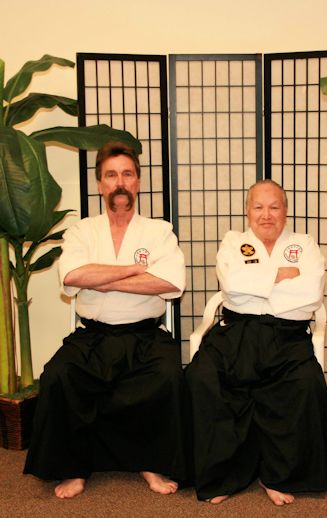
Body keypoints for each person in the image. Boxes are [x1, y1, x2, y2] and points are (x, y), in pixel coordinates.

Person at [24, 141, 187, 499]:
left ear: (138, 182)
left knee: (168, 376)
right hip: (93, 337)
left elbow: (171, 282)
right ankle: (73, 468)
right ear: (100, 184)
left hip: (146, 335)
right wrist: (132, 270)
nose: (120, 182)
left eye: (127, 174)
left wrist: (101, 275)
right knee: (58, 376)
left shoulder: (158, 231)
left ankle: (151, 462)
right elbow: (71, 277)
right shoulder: (82, 231)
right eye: (111, 175)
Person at [185, 179, 327, 505]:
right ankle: (223, 475)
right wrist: (282, 275)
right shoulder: (233, 242)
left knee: (305, 382)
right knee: (202, 376)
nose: (266, 215)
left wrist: (257, 284)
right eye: (258, 207)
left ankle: (279, 476)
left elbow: (311, 294)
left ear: (285, 210)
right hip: (237, 332)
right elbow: (230, 285)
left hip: (288, 335)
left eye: (274, 207)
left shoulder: (304, 244)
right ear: (248, 211)